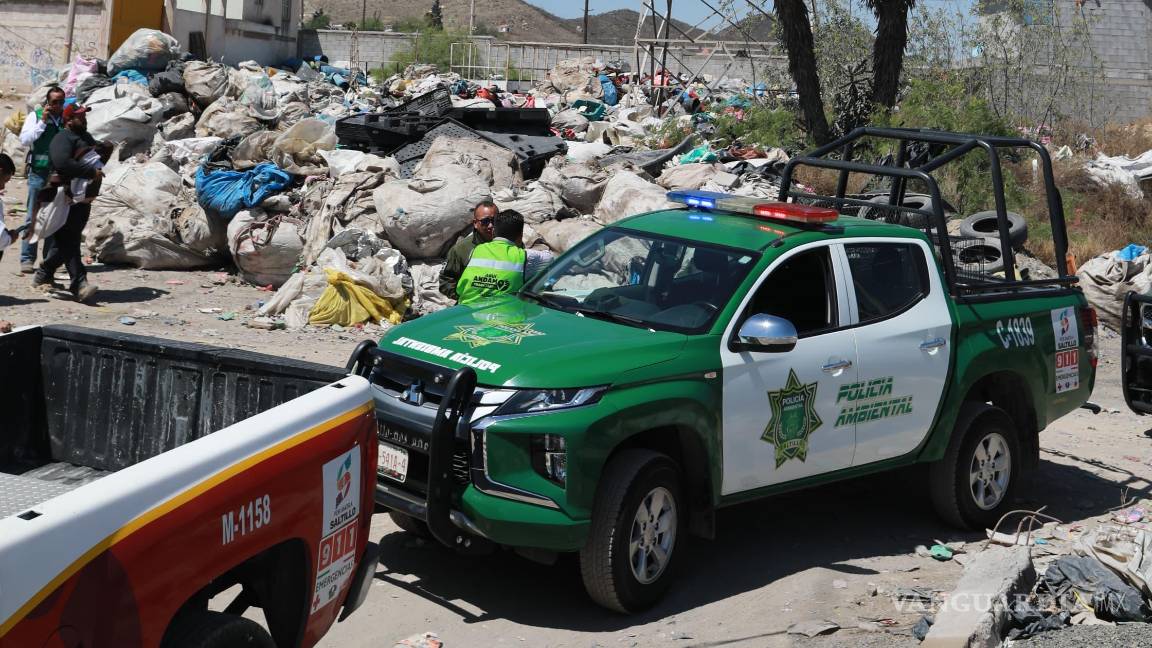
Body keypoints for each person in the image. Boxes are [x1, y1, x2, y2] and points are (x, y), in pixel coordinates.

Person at [33, 104, 102, 304]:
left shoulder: (86, 137)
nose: (84, 119)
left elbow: (92, 157)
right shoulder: (62, 138)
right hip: (64, 196)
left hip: (82, 197)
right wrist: (90, 173)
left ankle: (44, 273)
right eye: (80, 116)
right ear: (69, 120)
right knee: (68, 239)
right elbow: (62, 162)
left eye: (84, 116)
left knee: (67, 239)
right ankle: (79, 284)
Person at [456, 210, 553, 305]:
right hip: (503, 317)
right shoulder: (525, 257)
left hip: (467, 312)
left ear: (493, 231)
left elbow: (461, 289)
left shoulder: (477, 250)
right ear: (521, 235)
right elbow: (550, 259)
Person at [17, 85, 66, 274]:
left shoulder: (65, 119)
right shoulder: (36, 116)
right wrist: (43, 123)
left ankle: (49, 260)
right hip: (39, 172)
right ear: (47, 102)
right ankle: (27, 258)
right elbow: (26, 140)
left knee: (53, 218)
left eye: (61, 102)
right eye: (55, 102)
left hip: (58, 176)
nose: (58, 106)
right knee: (33, 216)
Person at [438, 200, 498, 300]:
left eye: (495, 220)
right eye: (485, 221)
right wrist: (465, 298)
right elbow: (446, 281)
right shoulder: (461, 249)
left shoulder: (511, 245)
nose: (491, 226)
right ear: (475, 223)